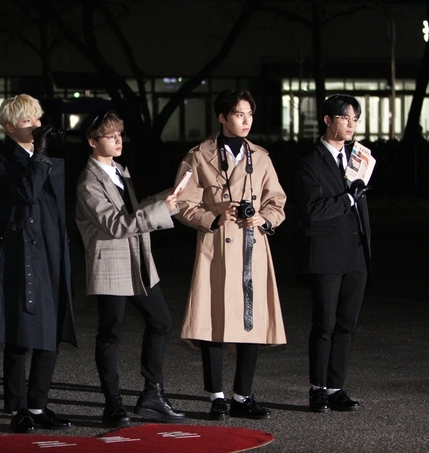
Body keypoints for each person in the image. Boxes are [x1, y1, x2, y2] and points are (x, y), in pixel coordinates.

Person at [175, 89, 286, 420]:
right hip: (216, 247)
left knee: (251, 319)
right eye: (239, 114)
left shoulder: (260, 157)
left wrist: (263, 217)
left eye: (250, 114)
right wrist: (214, 214)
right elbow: (182, 202)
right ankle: (217, 397)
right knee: (212, 319)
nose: (246, 120)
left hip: (253, 246)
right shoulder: (198, 156)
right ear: (222, 118)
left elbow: (277, 200)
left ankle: (242, 396)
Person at [75, 110, 186, 428]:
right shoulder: (88, 183)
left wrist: (167, 199)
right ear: (92, 142)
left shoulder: (120, 171)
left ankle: (152, 395)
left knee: (161, 321)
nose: (118, 140)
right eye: (110, 136)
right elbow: (115, 224)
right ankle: (113, 404)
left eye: (119, 134)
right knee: (110, 332)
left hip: (137, 260)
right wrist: (161, 210)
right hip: (110, 263)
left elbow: (133, 211)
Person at [0, 94, 77, 433]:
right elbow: (25, 194)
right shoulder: (0, 162)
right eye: (27, 120)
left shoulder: (43, 156)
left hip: (51, 249)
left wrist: (42, 155)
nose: (36, 125)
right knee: (20, 329)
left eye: (38, 118)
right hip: (21, 251)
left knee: (51, 328)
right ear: (9, 127)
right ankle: (18, 407)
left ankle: (38, 405)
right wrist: (41, 156)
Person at [294, 94, 371, 413]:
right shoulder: (309, 162)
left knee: (347, 323)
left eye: (355, 119)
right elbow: (313, 209)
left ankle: (337, 387)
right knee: (324, 323)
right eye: (345, 117)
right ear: (327, 120)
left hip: (355, 251)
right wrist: (349, 198)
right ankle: (318, 389)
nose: (351, 124)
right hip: (326, 252)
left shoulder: (357, 159)